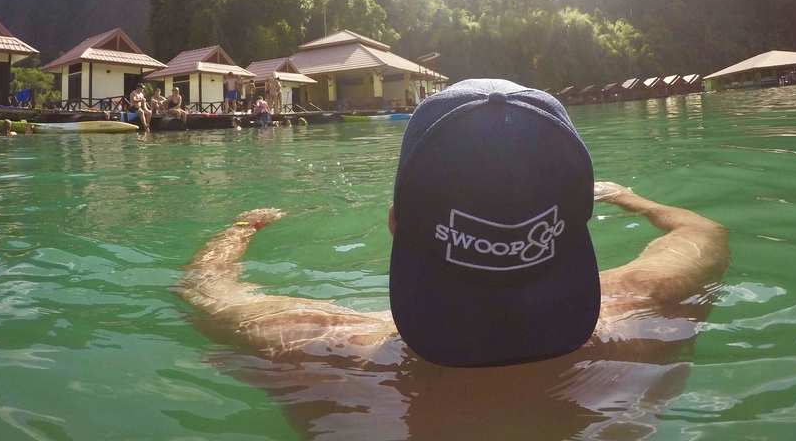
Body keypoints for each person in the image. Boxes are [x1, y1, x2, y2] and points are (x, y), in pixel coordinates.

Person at [178, 79, 730, 439]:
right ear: (574, 221)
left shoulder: (323, 359)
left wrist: (242, 228)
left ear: (395, 225)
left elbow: (204, 290)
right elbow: (702, 231)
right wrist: (631, 198)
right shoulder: (653, 313)